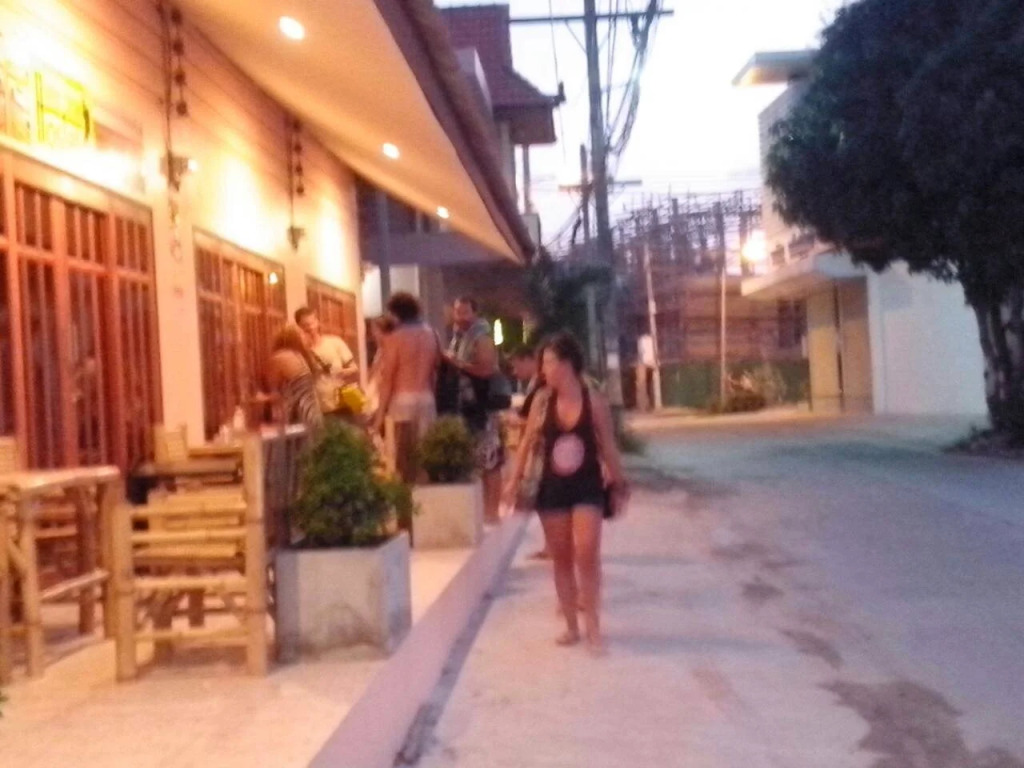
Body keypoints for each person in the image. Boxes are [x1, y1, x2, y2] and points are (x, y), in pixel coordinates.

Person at [503, 332, 629, 655]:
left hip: (587, 486)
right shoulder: (542, 401)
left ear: (568, 364)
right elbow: (527, 442)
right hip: (552, 488)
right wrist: (513, 481)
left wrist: (619, 482)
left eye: (549, 362)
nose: (543, 369)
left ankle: (594, 629)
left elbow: (608, 446)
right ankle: (572, 626)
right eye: (543, 362)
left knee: (587, 552)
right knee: (561, 558)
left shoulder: (594, 402)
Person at [446, 296, 503, 523]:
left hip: (482, 405)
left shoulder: (481, 337)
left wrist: (457, 363)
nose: (460, 317)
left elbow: (486, 369)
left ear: (475, 313)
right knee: (478, 458)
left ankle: (492, 511)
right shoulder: (459, 337)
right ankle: (485, 510)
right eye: (457, 312)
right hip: (468, 406)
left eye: (465, 312)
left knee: (490, 458)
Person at [375, 292, 440, 480]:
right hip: (427, 399)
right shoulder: (432, 334)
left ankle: (409, 495)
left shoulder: (395, 338)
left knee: (404, 459)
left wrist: (379, 415)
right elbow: (435, 369)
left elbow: (388, 378)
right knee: (426, 455)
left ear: (395, 313)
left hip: (402, 400)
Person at [295, 306, 359, 417]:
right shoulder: (299, 352)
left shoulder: (335, 342)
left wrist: (342, 372)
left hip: (341, 403)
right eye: (305, 325)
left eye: (312, 323)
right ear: (299, 327)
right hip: (316, 408)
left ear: (317, 322)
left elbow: (354, 368)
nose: (310, 328)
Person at [267, 323, 323, 430]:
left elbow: (274, 390)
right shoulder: (301, 358)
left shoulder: (279, 358)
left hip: (295, 415)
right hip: (312, 413)